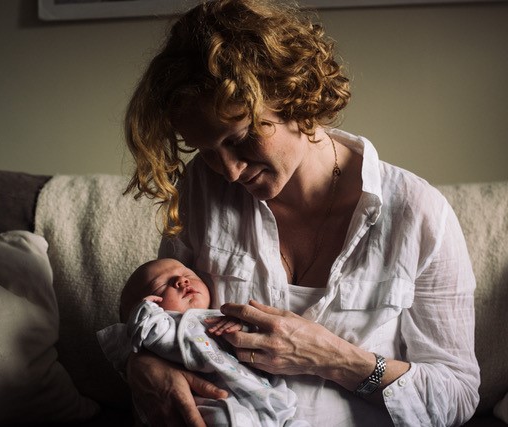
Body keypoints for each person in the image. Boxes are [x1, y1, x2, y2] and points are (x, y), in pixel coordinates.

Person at [121, 0, 480, 426]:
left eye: (240, 139)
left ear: (293, 97)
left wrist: (333, 359)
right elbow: (159, 319)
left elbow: (456, 395)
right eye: (207, 150)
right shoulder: (202, 187)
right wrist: (139, 365)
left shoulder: (418, 214)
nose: (230, 171)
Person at [97, 258, 308, 427]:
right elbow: (149, 333)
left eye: (188, 274)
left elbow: (259, 343)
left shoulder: (217, 316)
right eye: (160, 286)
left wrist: (240, 326)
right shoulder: (166, 327)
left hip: (269, 399)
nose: (181, 281)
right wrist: (145, 314)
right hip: (217, 404)